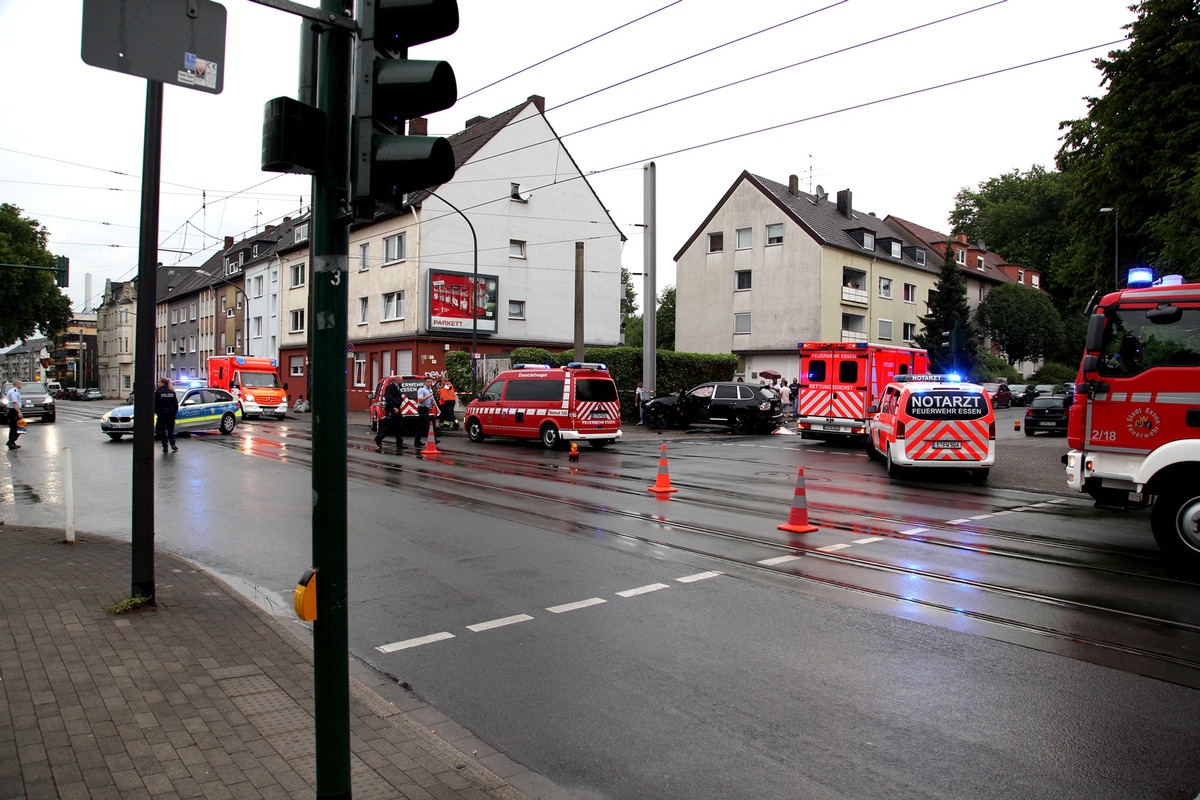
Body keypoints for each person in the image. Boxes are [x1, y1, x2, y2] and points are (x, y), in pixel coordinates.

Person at [373, 380, 405, 453]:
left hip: (398, 409)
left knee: (399, 425)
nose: (402, 381)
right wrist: (394, 407)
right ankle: (378, 438)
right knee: (391, 425)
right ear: (398, 380)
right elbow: (388, 398)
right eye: (401, 380)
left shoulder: (398, 387)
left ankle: (399, 443)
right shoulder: (390, 387)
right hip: (392, 409)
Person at [154, 377, 179, 452]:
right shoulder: (171, 392)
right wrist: (174, 413)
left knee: (162, 430)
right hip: (170, 413)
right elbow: (176, 404)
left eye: (159, 382)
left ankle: (165, 446)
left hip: (161, 413)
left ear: (162, 383)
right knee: (170, 430)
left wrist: (156, 411)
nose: (158, 383)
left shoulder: (158, 392)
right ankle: (173, 444)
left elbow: (155, 403)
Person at [414, 377, 440, 447]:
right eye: (428, 382)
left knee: (421, 426)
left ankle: (417, 441)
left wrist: (437, 408)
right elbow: (420, 400)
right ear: (424, 382)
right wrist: (428, 396)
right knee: (427, 424)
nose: (429, 383)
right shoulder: (421, 390)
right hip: (422, 409)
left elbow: (433, 400)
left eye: (430, 382)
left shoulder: (430, 390)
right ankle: (433, 439)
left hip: (426, 409)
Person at [6, 379, 24, 449]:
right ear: (17, 384)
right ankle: (11, 441)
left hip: (13, 410)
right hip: (14, 411)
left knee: (17, 427)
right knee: (17, 427)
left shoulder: (12, 391)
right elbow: (15, 403)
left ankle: (12, 442)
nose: (21, 385)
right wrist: (19, 412)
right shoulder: (14, 392)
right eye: (21, 384)